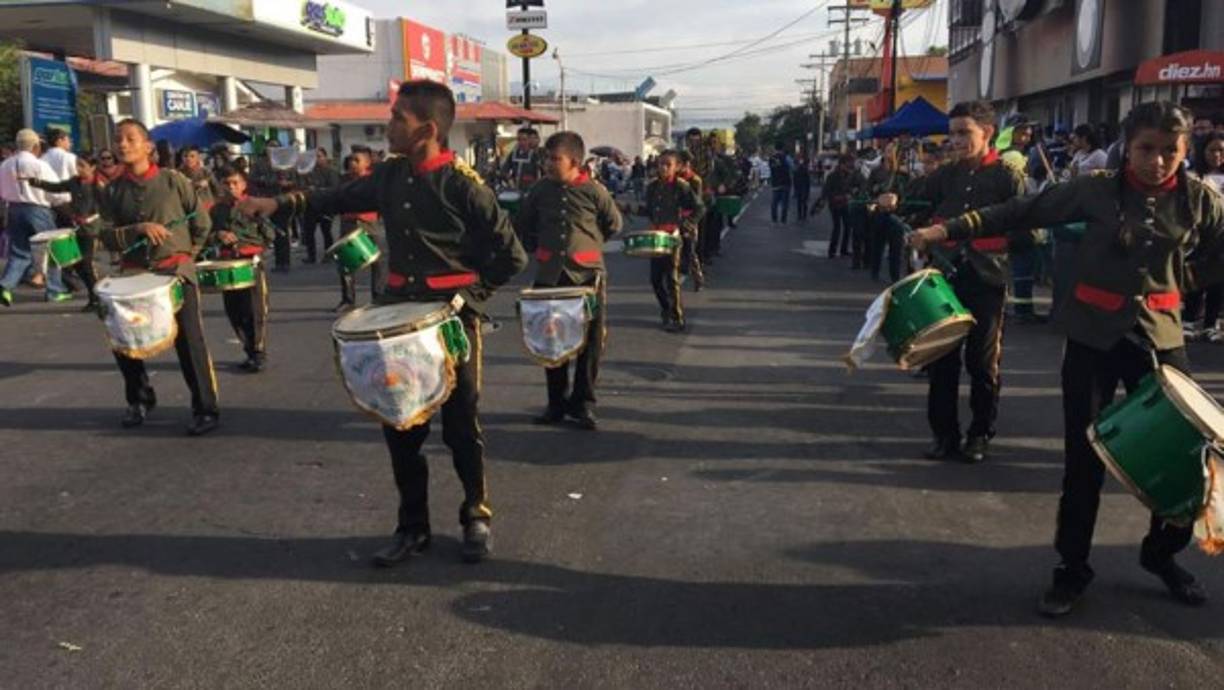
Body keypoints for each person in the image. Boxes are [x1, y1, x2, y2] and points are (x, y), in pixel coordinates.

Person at [908, 101, 1222, 617]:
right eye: (1147, 149)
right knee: (1084, 460)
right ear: (1128, 147)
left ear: (1185, 151)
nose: (1159, 161)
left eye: (1171, 150)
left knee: (1188, 460)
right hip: (1093, 340)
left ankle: (1161, 554)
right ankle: (1071, 569)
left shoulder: (1198, 200)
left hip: (1163, 341)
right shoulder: (1095, 189)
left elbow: (1220, 251)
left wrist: (1185, 281)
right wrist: (947, 229)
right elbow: (1022, 212)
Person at [239, 80, 528, 566]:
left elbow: (511, 256)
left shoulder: (462, 185)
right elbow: (335, 197)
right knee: (402, 425)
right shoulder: (391, 176)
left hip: (450, 321)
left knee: (460, 426)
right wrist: (277, 204)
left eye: (398, 119)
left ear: (427, 130)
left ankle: (475, 514)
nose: (389, 126)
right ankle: (412, 526)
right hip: (397, 318)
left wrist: (468, 300)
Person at [879, 100, 1025, 463]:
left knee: (982, 362)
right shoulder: (946, 175)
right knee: (942, 359)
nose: (956, 141)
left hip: (987, 279)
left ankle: (979, 435)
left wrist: (981, 240)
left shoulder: (1007, 176)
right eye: (953, 133)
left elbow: (1028, 231)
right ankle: (944, 435)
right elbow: (915, 203)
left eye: (965, 133)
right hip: (943, 279)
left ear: (987, 133)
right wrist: (894, 201)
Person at [96, 119, 219, 436]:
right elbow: (105, 236)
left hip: (175, 272)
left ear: (148, 146)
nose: (122, 145)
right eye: (118, 139)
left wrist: (187, 257)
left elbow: (202, 223)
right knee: (123, 340)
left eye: (130, 138)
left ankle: (205, 408)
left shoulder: (173, 180)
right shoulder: (112, 190)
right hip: (134, 274)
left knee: (189, 341)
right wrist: (137, 230)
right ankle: (139, 399)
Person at [516, 131, 622, 430]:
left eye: (555, 159)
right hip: (551, 275)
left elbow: (613, 223)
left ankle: (583, 403)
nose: (549, 164)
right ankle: (556, 404)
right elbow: (524, 222)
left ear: (574, 161)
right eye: (547, 158)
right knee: (552, 340)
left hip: (587, 275)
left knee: (590, 344)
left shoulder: (594, 191)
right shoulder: (540, 190)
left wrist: (587, 244)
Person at [207, 165, 275, 372]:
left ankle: (258, 351)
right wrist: (219, 236)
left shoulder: (253, 205)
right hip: (227, 263)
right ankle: (248, 350)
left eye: (235, 183)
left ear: (244, 185)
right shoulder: (216, 210)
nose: (231, 187)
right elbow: (205, 236)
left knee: (254, 310)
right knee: (234, 311)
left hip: (250, 261)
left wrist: (253, 233)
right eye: (226, 184)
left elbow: (270, 235)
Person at [627, 150, 703, 333]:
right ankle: (666, 309)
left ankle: (678, 317)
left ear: (676, 167)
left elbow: (699, 207)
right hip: (655, 237)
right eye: (661, 164)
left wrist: (687, 224)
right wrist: (628, 208)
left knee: (671, 278)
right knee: (655, 280)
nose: (663, 167)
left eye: (668, 164)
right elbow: (649, 210)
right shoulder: (652, 187)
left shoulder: (682, 186)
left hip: (672, 237)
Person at [27, 154, 108, 311]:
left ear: (92, 167)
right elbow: (56, 187)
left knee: (86, 264)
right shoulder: (74, 182)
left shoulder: (98, 185)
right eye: (78, 165)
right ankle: (94, 296)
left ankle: (96, 298)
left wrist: (92, 218)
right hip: (76, 228)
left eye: (83, 165)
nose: (79, 169)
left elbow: (106, 209)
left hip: (91, 230)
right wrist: (36, 182)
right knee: (76, 263)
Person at [0, 129, 71, 306]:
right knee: (54, 250)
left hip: (14, 209)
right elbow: (57, 192)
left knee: (19, 252)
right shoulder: (40, 165)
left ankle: (4, 287)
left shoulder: (5, 165)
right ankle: (55, 291)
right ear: (35, 146)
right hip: (38, 210)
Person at [1182, 131, 1224, 342]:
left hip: (1222, 236)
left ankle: (1211, 323)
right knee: (1195, 277)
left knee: (1218, 280)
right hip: (1199, 235)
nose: (1217, 155)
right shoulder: (1193, 176)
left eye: (1221, 151)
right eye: (1212, 150)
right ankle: (1188, 320)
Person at [334, 148, 384, 311]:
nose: (352, 163)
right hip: (349, 223)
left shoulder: (373, 180)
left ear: (367, 163)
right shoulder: (343, 180)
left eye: (356, 160)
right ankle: (348, 300)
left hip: (369, 223)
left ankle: (377, 297)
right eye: (350, 160)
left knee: (377, 262)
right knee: (345, 262)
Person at [865, 144, 910, 283]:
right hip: (879, 213)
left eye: (893, 151)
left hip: (895, 215)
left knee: (895, 249)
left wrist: (897, 200)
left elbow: (906, 194)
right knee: (877, 245)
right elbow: (868, 191)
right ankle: (874, 272)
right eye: (888, 151)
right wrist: (875, 199)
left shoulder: (902, 174)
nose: (890, 154)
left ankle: (895, 277)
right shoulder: (876, 172)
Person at [819, 154, 865, 259]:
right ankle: (832, 250)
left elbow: (860, 184)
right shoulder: (833, 176)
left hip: (845, 203)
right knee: (837, 227)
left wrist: (854, 191)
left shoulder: (851, 175)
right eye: (848, 165)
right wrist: (831, 198)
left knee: (848, 226)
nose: (850, 167)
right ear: (842, 164)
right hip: (835, 204)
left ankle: (843, 249)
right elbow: (826, 191)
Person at [300, 148, 340, 264]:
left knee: (326, 231)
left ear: (325, 157)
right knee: (309, 233)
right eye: (315, 157)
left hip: (325, 206)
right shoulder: (308, 171)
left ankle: (329, 255)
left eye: (320, 156)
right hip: (310, 205)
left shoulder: (331, 171)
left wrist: (317, 189)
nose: (317, 159)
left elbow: (334, 188)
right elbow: (303, 186)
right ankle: (311, 256)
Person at [677, 151, 706, 291]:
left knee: (690, 250)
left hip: (689, 219)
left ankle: (698, 277)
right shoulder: (675, 178)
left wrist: (690, 221)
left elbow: (697, 203)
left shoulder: (695, 180)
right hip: (675, 218)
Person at [179, 145, 221, 213]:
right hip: (188, 210)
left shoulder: (206, 172)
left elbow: (217, 190)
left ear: (198, 157)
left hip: (207, 209)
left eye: (192, 156)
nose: (188, 159)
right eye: (185, 156)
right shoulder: (179, 174)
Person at [502, 127, 543, 191]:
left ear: (529, 140)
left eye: (524, 139)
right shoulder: (513, 154)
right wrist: (510, 180)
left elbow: (540, 173)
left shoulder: (535, 155)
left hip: (531, 189)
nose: (522, 142)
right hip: (514, 189)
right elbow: (504, 170)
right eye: (519, 139)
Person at [767, 142, 793, 224]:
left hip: (775, 182)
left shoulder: (771, 158)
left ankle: (774, 219)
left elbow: (771, 169)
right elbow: (792, 168)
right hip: (786, 182)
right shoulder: (786, 157)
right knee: (784, 203)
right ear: (782, 148)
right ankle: (783, 220)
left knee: (774, 202)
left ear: (775, 148)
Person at [793, 156, 812, 222]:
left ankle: (800, 216)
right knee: (804, 203)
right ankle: (803, 216)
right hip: (804, 188)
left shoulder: (796, 171)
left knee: (799, 202)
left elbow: (794, 181)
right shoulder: (805, 170)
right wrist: (808, 191)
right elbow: (808, 182)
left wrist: (795, 190)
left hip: (799, 188)